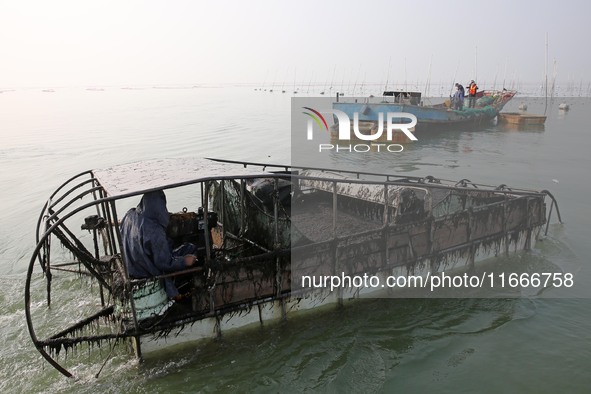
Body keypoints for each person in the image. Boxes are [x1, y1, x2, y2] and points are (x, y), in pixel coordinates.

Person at [120, 190, 197, 299]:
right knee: (190, 248)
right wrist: (184, 261)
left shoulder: (129, 215)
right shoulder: (154, 231)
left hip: (131, 266)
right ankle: (180, 290)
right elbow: (164, 263)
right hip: (147, 271)